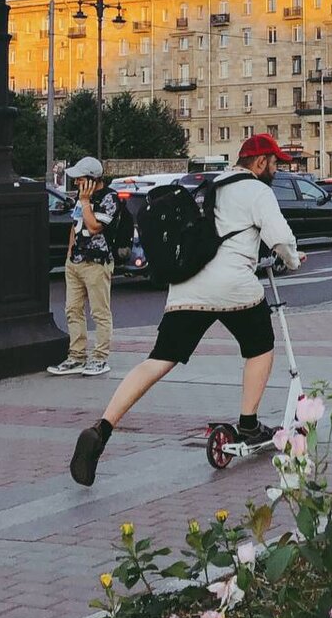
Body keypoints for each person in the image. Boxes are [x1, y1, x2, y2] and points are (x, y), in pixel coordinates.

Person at [69, 134, 305, 487]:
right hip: (233, 287)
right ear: (260, 162)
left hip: (188, 286)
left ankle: (101, 428)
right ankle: (249, 424)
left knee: (158, 360)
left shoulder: (212, 184)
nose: (276, 169)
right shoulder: (258, 191)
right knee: (260, 346)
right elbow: (281, 239)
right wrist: (293, 260)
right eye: (274, 163)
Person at [47, 157, 120, 378]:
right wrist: (70, 253)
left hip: (97, 262)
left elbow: (95, 226)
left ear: (92, 179)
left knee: (99, 312)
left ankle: (99, 357)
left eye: (80, 178)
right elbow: (76, 225)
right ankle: (76, 356)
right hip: (76, 261)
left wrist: (86, 201)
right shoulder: (81, 198)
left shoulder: (110, 198)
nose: (77, 182)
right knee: (72, 309)